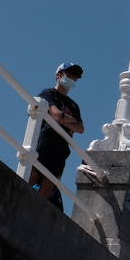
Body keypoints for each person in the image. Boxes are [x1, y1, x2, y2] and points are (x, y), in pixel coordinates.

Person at [29, 62, 84, 208]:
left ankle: (36, 207)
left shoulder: (74, 105)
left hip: (62, 147)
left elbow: (80, 128)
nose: (72, 79)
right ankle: (23, 198)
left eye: (75, 77)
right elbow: (56, 115)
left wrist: (64, 119)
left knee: (50, 181)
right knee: (33, 173)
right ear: (59, 75)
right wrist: (68, 120)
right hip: (45, 140)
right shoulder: (48, 93)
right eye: (70, 75)